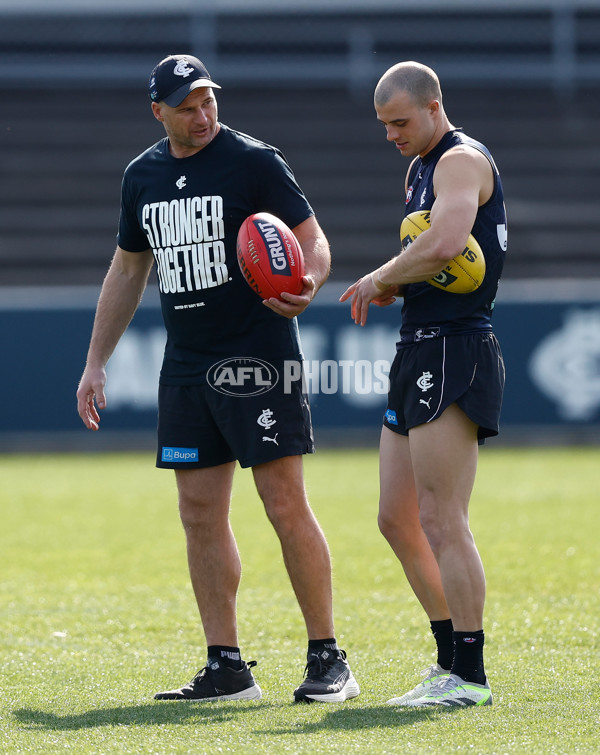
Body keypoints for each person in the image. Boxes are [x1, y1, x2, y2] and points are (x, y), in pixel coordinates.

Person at [76, 53, 359, 705]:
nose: (203, 114)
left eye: (209, 101)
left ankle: (329, 657)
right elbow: (127, 271)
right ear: (159, 112)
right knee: (199, 511)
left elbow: (312, 239)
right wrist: (96, 360)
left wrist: (309, 280)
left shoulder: (255, 160)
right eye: (187, 105)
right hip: (187, 363)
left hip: (258, 353)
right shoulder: (141, 176)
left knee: (283, 502)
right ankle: (227, 665)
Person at [340, 61, 507, 708]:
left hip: (457, 345)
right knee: (396, 517)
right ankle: (447, 661)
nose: (392, 134)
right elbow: (431, 261)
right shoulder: (416, 168)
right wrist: (399, 286)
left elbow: (445, 242)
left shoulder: (459, 161)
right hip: (417, 345)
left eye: (401, 122)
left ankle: (471, 674)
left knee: (442, 516)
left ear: (434, 106)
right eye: (384, 126)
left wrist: (382, 276)